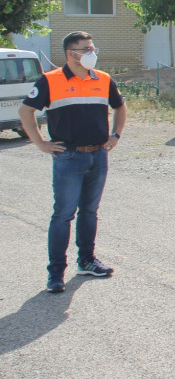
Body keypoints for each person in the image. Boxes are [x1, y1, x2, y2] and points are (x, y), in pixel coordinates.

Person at [19, 31, 127, 294]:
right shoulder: (50, 80)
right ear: (71, 53)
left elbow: (120, 107)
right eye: (86, 49)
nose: (92, 53)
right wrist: (40, 143)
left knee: (89, 212)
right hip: (68, 157)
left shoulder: (103, 79)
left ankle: (87, 261)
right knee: (63, 214)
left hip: (98, 155)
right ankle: (56, 273)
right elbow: (25, 111)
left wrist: (115, 135)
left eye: (93, 48)